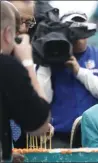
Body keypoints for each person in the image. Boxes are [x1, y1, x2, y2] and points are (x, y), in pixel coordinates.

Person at [37, 11, 98, 148]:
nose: (78, 34)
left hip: (96, 135)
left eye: (82, 27)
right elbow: (42, 100)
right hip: (59, 137)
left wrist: (79, 72)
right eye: (72, 29)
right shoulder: (52, 58)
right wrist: (46, 60)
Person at [0, 1, 51, 161]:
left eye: (28, 22)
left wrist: (5, 148)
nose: (21, 31)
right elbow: (39, 124)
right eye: (17, 22)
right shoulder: (8, 66)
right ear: (8, 32)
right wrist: (27, 62)